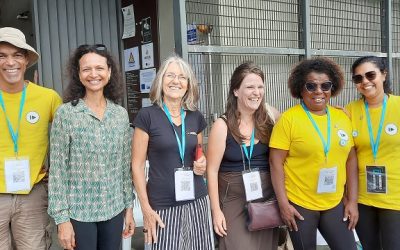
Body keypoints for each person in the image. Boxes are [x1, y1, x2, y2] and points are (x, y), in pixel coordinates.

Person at [48, 44, 135, 250]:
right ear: (78, 74)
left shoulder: (120, 114)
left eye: (99, 68)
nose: (93, 74)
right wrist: (62, 220)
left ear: (109, 71)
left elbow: (124, 168)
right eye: (86, 69)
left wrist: (129, 207)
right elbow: (58, 170)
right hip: (79, 212)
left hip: (113, 208)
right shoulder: (66, 114)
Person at [269, 57, 359, 249]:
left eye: (325, 85)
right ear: (301, 89)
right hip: (300, 205)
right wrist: (283, 204)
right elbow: (275, 163)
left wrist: (352, 201)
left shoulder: (342, 117)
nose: (319, 91)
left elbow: (351, 160)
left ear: (332, 88)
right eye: (311, 86)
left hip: (334, 203)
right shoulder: (288, 120)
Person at [131, 55, 214, 250]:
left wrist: (202, 162)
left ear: (188, 84)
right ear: (161, 81)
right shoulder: (147, 116)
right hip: (162, 204)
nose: (176, 81)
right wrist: (146, 209)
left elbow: (200, 155)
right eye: (170, 75)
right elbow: (137, 165)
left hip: (197, 200)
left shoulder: (195, 117)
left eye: (182, 77)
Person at [207, 61, 280, 250]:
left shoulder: (270, 117)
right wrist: (216, 211)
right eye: (250, 87)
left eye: (260, 87)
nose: (256, 92)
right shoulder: (222, 125)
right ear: (236, 91)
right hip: (233, 199)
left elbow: (298, 123)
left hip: (265, 199)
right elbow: (212, 170)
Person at [0, 27, 62, 249]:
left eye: (17, 55)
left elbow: (71, 135)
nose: (10, 62)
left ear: (26, 60)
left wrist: (58, 170)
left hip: (32, 193)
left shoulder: (48, 98)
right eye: (2, 56)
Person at [346, 56, 400, 250]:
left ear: (384, 75)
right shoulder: (349, 111)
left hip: (395, 198)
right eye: (358, 78)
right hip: (362, 198)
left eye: (370, 75)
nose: (365, 82)